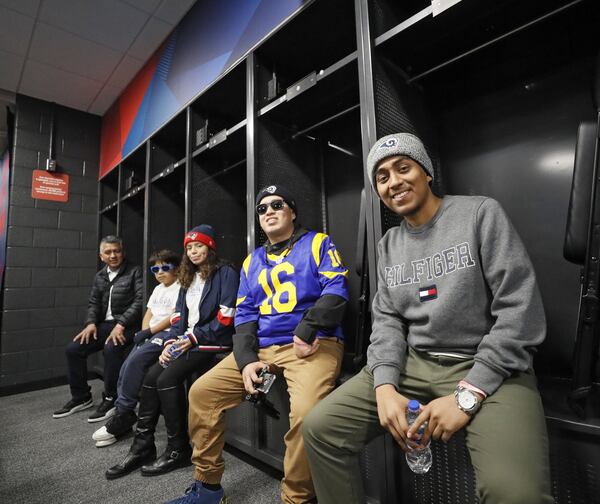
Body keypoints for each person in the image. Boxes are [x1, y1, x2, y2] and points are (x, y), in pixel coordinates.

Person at [302, 133, 553, 504]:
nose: (394, 182)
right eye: (382, 177)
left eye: (404, 168)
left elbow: (521, 311)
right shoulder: (389, 244)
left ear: (426, 172)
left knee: (515, 493)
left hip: (488, 366)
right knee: (320, 428)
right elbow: (386, 322)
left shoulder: (480, 214)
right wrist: (385, 386)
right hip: (414, 363)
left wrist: (467, 396)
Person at [165, 185, 349, 504]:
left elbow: (336, 290)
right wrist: (247, 359)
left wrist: (307, 329)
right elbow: (246, 312)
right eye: (262, 209)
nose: (269, 212)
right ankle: (208, 487)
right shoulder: (253, 261)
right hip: (263, 347)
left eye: (277, 205)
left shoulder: (318, 242)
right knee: (202, 393)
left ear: (292, 212)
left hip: (311, 344)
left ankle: (296, 498)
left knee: (307, 415)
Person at [104, 225, 239, 480]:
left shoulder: (225, 272)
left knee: (165, 378)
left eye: (198, 245)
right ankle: (142, 447)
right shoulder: (188, 277)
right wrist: (170, 341)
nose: (193, 251)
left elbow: (227, 316)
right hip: (186, 340)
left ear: (210, 247)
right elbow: (178, 317)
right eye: (189, 247)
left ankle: (178, 449)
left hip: (212, 341)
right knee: (150, 377)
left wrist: (190, 338)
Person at [92, 249, 182, 447]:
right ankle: (122, 411)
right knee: (126, 367)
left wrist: (150, 333)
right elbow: (149, 313)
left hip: (166, 334)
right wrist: (144, 334)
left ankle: (124, 413)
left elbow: (174, 317)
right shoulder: (158, 289)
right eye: (155, 268)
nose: (159, 272)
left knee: (134, 363)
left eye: (165, 267)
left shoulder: (180, 287)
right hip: (150, 333)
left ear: (176, 269)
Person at [53, 236, 143, 422]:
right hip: (104, 325)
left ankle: (111, 398)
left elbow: (139, 301)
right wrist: (91, 323)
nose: (113, 255)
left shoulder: (134, 271)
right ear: (101, 256)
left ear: (122, 252)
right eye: (108, 252)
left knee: (111, 349)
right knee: (73, 349)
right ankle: (81, 397)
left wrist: (121, 324)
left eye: (116, 251)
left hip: (128, 326)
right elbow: (94, 302)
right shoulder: (100, 276)